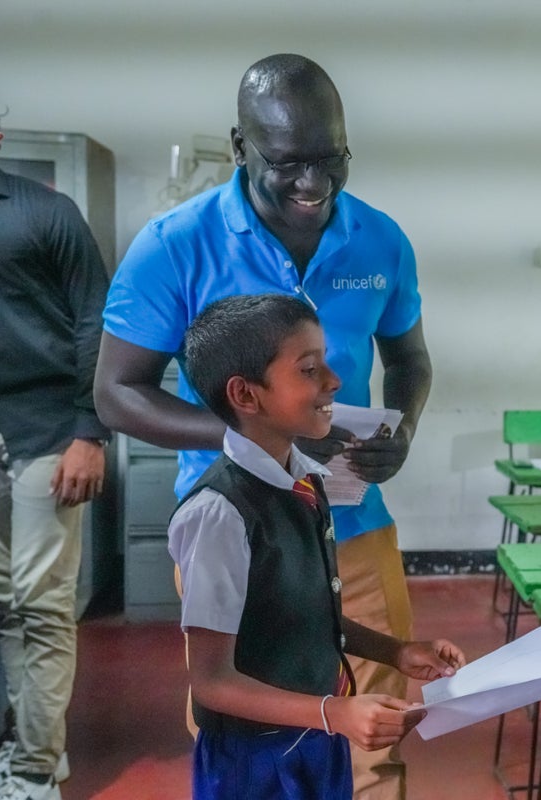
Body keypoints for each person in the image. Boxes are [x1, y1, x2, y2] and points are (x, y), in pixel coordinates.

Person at [95, 54, 431, 799]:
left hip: (351, 517)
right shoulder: (175, 244)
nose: (312, 184)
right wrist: (249, 445)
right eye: (286, 163)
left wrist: (399, 430)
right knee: (251, 736)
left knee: (376, 737)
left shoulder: (380, 239)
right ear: (241, 147)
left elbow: (410, 360)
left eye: (329, 160)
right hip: (240, 525)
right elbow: (117, 393)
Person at [171, 293, 463, 800]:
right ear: (245, 395)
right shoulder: (218, 514)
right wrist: (335, 711)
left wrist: (395, 651)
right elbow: (213, 680)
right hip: (253, 761)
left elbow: (307, 617)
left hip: (316, 739)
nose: (334, 380)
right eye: (309, 369)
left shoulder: (305, 480)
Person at [0, 78, 110, 800]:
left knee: (43, 603)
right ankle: (32, 747)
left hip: (48, 438)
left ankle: (32, 771)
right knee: (4, 602)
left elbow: (96, 323)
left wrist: (89, 433)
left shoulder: (44, 214)